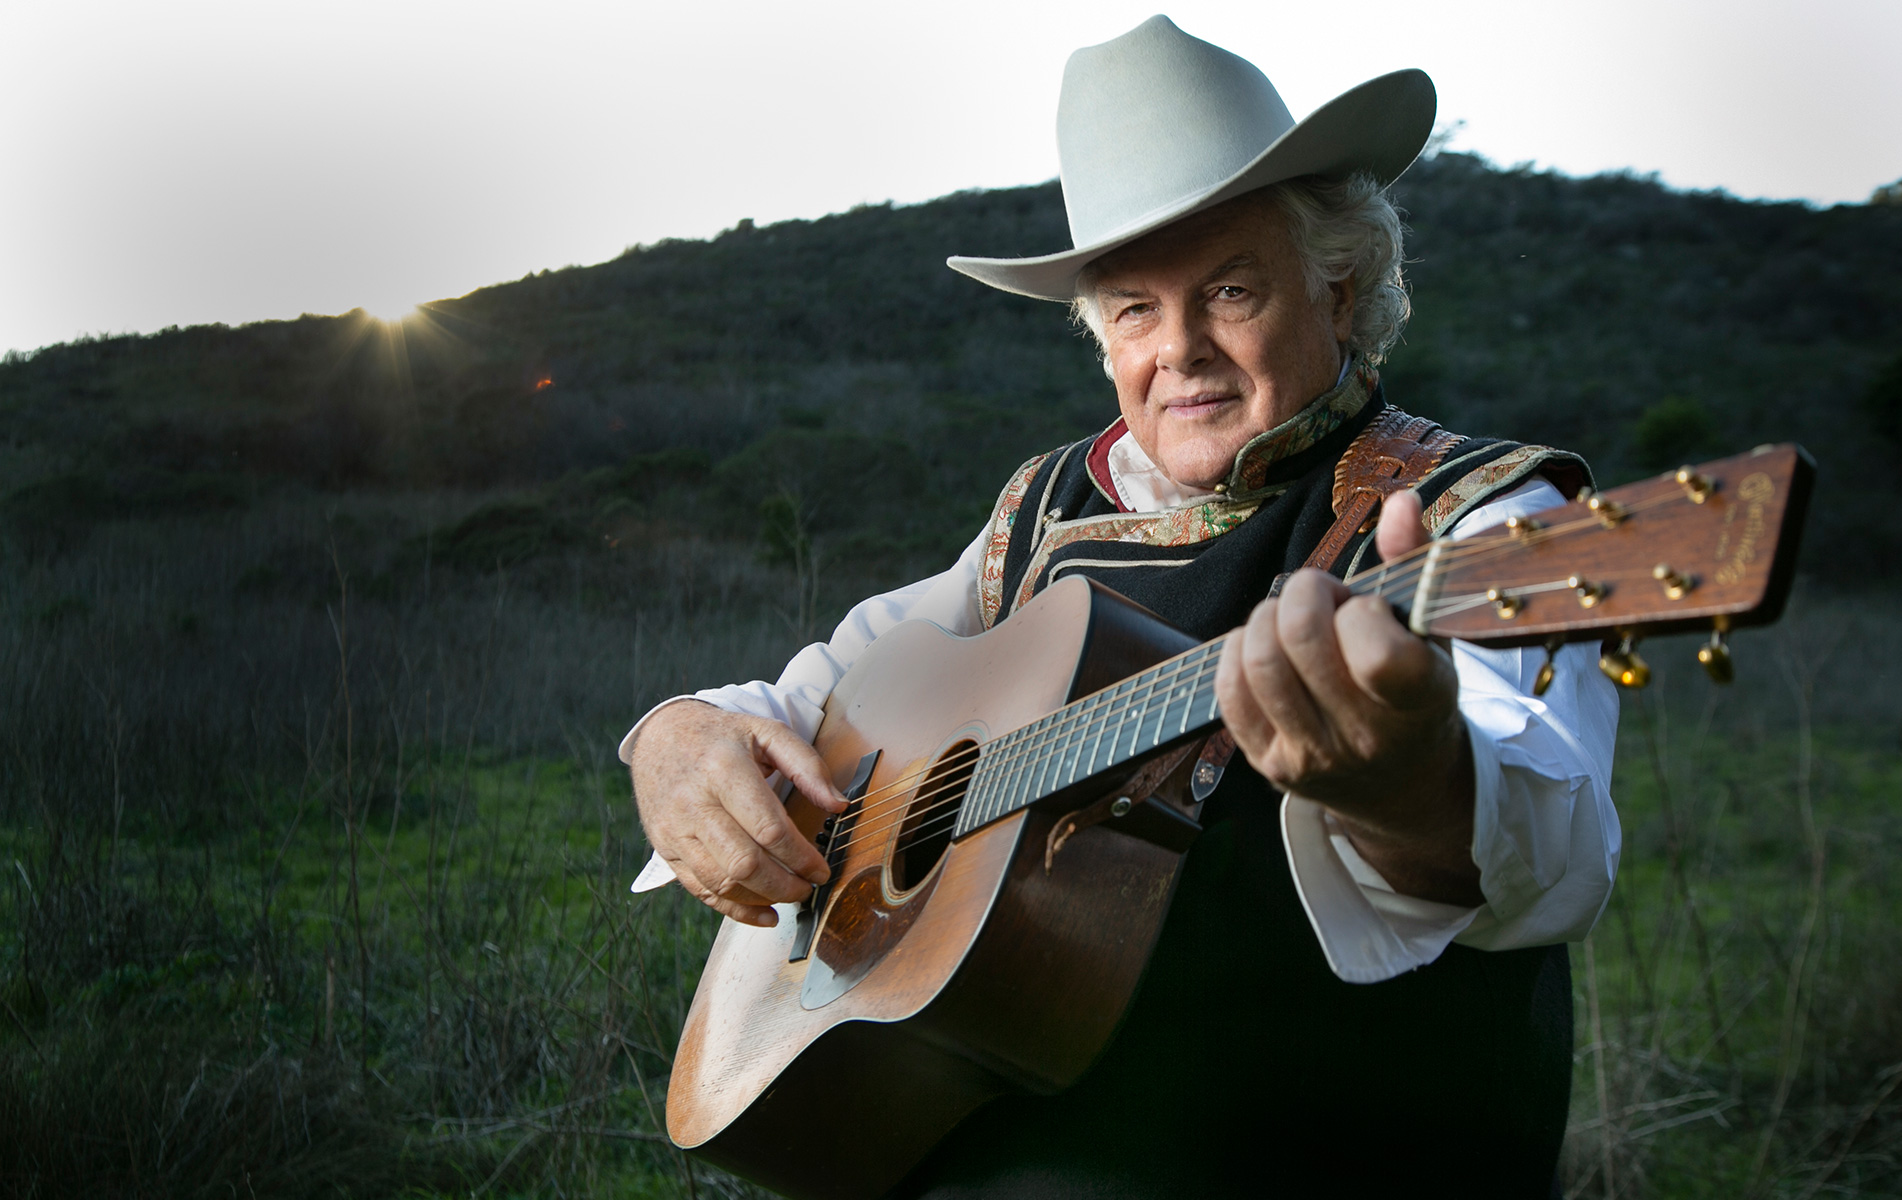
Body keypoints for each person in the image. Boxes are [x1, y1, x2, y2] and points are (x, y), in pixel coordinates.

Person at [624, 16, 1619, 1197]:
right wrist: (675, 735)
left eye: (1231, 291)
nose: (1180, 350)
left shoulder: (1480, 519)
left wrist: (1406, 780)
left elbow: (1556, 856)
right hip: (1012, 1119)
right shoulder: (1043, 508)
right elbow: (826, 689)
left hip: (1338, 1147)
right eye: (1135, 311)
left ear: (1341, 291)